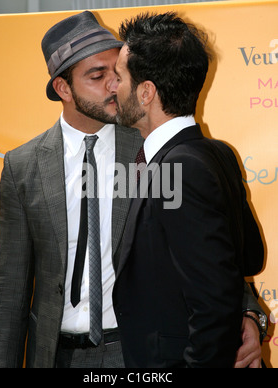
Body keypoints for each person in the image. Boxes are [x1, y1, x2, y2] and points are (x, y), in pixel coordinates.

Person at [0, 11, 265, 369]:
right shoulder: (24, 166)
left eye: (116, 73)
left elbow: (209, 245)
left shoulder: (151, 146)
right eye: (97, 76)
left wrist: (248, 314)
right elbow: (10, 288)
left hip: (137, 353)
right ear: (63, 88)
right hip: (55, 354)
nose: (113, 86)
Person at [112, 12, 266, 368]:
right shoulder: (216, 153)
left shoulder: (178, 167)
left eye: (119, 77)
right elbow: (248, 257)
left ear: (146, 92)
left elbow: (212, 305)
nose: (112, 87)